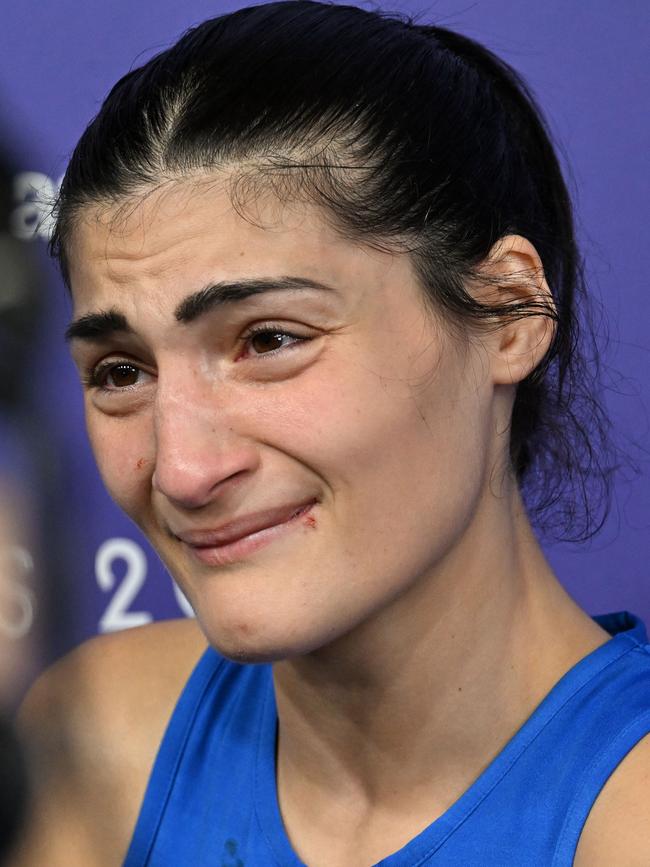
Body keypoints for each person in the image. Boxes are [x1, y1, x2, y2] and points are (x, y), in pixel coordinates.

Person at [11, 2, 650, 865]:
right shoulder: (95, 742)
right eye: (121, 372)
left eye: (270, 340)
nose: (183, 469)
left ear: (507, 312)